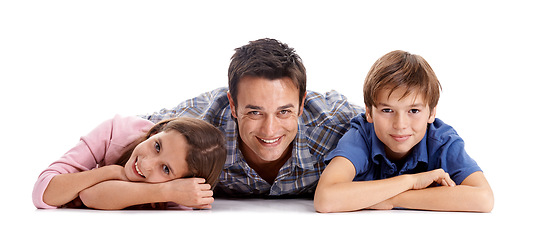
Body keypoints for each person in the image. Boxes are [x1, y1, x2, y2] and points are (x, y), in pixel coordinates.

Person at [141, 38, 362, 197]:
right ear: (233, 105)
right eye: (255, 112)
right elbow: (118, 141)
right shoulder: (195, 129)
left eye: (283, 111)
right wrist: (162, 190)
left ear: (302, 104)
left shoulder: (336, 124)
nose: (269, 130)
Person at [314, 50, 494, 213]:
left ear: (431, 113)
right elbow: (325, 199)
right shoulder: (361, 136)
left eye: (414, 111)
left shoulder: (442, 140)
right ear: (369, 112)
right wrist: (411, 182)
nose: (400, 125)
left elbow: (483, 198)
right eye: (387, 110)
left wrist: (392, 198)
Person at [33, 116, 226, 210]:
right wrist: (111, 172)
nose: (146, 163)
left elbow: (89, 195)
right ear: (155, 133)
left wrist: (165, 191)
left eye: (166, 169)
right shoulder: (117, 132)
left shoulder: (179, 192)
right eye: (157, 146)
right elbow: (44, 193)